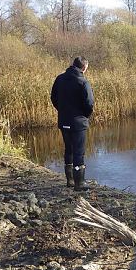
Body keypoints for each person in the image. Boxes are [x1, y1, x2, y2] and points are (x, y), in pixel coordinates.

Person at [50, 57, 95, 190]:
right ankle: (79, 183)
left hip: (64, 120)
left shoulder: (60, 79)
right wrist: (84, 116)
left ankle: (70, 181)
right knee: (78, 152)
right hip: (78, 122)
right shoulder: (83, 82)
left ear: (72, 65)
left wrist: (62, 110)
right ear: (84, 68)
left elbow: (53, 97)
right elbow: (89, 103)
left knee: (68, 149)